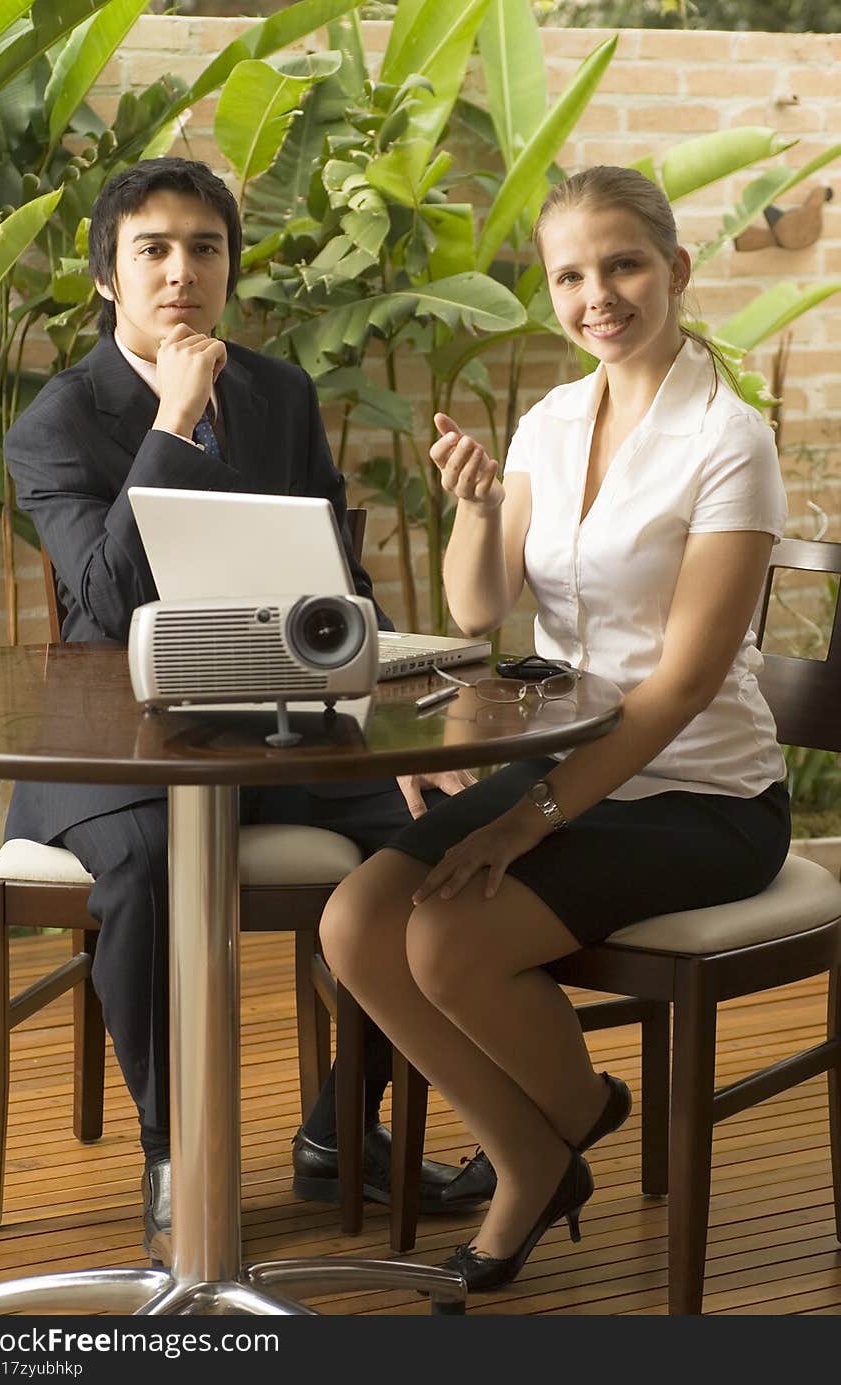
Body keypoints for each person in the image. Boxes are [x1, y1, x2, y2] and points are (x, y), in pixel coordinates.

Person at [2, 158, 496, 1264]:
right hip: (112, 742)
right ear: (105, 278)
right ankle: (174, 1147)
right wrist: (172, 420)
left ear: (231, 265)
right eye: (154, 249)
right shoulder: (58, 420)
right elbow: (109, 596)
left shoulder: (276, 393)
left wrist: (399, 733)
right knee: (140, 864)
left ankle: (336, 1130)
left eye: (206, 247)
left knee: (435, 848)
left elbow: (336, 583)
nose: (183, 271)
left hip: (284, 724)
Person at [319, 165, 791, 1291]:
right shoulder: (549, 414)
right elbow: (481, 609)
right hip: (573, 761)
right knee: (356, 920)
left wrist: (523, 820)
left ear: (674, 270)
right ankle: (547, 1137)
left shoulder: (730, 440)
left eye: (623, 264)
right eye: (571, 273)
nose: (599, 294)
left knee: (443, 938)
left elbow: (676, 691)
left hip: (704, 793)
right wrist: (478, 510)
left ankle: (542, 1149)